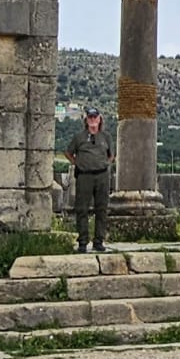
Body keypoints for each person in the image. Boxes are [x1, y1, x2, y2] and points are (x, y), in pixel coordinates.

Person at [65, 108, 114, 254]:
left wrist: (105, 164)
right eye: (90, 117)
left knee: (102, 209)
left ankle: (99, 240)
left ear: (99, 119)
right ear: (86, 120)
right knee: (82, 209)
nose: (92, 119)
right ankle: (83, 241)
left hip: (102, 176)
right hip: (84, 176)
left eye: (95, 117)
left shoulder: (106, 136)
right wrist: (78, 163)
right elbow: (68, 152)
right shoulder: (79, 137)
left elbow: (111, 155)